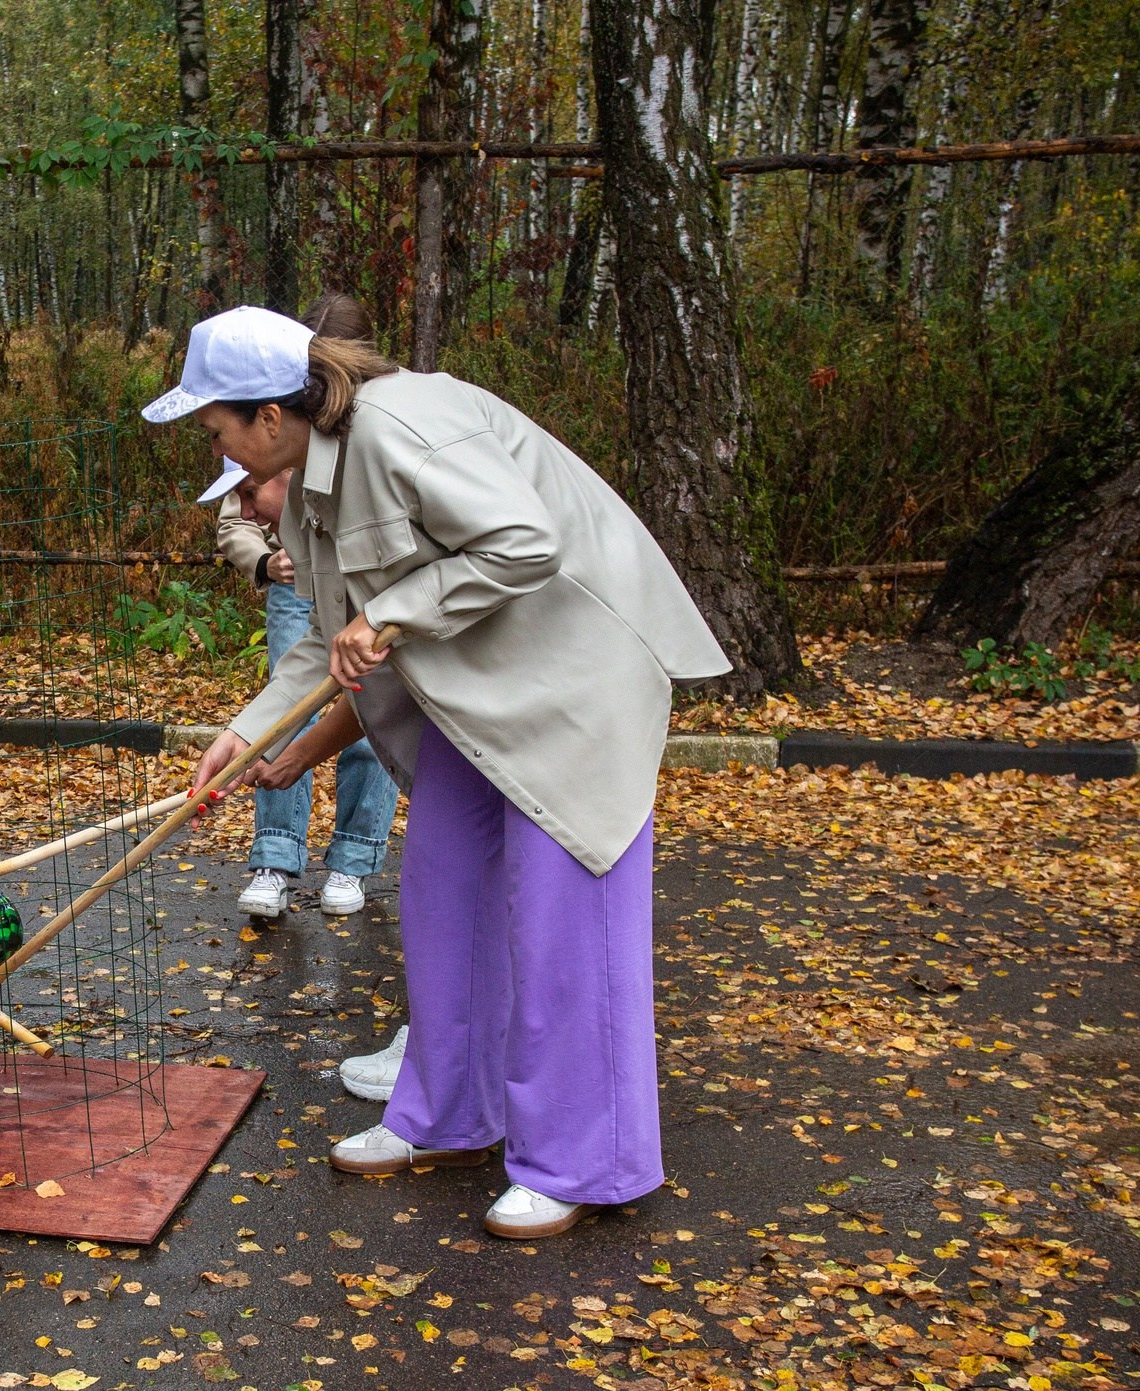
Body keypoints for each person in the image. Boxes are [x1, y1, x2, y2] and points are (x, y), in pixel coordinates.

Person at [158, 305, 731, 1240]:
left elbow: (524, 540)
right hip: (475, 694)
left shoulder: (400, 425)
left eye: (213, 422)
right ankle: (448, 1116)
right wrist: (247, 731)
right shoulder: (305, 483)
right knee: (442, 892)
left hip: (571, 679)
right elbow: (325, 634)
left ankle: (584, 1161)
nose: (209, 442)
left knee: (563, 925)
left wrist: (393, 613)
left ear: (268, 413)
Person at [210, 292, 400, 921]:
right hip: (322, 607)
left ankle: (353, 857)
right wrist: (249, 737)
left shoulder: (382, 454)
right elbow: (323, 649)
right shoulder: (278, 473)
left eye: (219, 436)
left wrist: (375, 617)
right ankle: (276, 855)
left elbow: (385, 685)